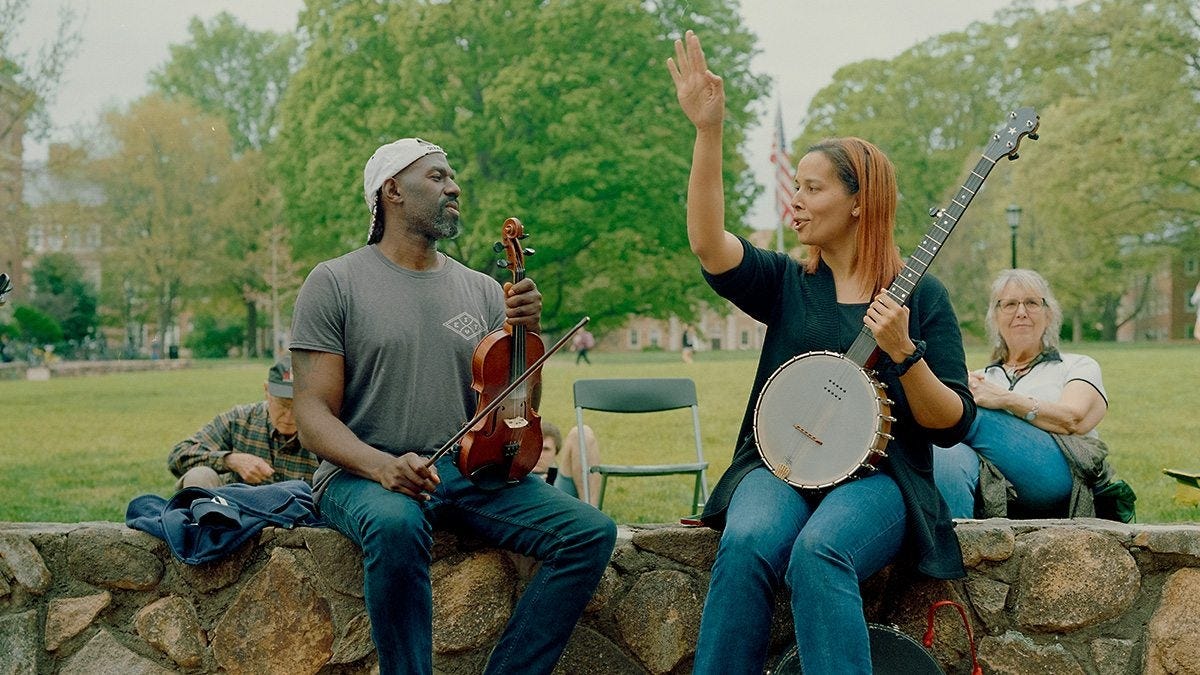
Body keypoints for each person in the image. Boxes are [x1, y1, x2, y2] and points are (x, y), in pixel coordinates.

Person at [668, 31, 975, 674]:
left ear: (860, 202)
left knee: (820, 552)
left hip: (882, 479)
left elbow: (951, 424)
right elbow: (706, 241)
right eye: (795, 186)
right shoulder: (787, 283)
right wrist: (708, 131)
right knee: (750, 539)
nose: (795, 201)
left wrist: (904, 352)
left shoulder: (924, 295)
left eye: (812, 189)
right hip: (778, 466)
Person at [289, 137, 617, 675]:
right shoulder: (335, 283)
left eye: (453, 176)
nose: (454, 186)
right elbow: (311, 416)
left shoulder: (485, 291)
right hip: (362, 473)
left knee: (589, 533)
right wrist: (381, 466)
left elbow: (516, 406)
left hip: (464, 470)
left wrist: (527, 337)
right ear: (391, 191)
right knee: (395, 526)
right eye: (437, 177)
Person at [933, 269, 1112, 519]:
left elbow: (1074, 419)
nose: (1021, 312)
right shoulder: (981, 379)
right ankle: (955, 548)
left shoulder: (1077, 365)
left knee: (960, 412)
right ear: (995, 317)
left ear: (1048, 314)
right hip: (991, 480)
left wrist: (1003, 399)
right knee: (945, 454)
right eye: (1009, 304)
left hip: (1058, 477)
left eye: (1031, 303)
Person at [167, 356, 318, 489]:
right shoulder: (240, 420)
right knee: (199, 476)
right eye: (282, 405)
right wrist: (230, 460)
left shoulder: (321, 431)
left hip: (303, 517)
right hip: (235, 515)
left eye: (298, 407)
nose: (288, 417)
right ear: (267, 391)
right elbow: (178, 455)